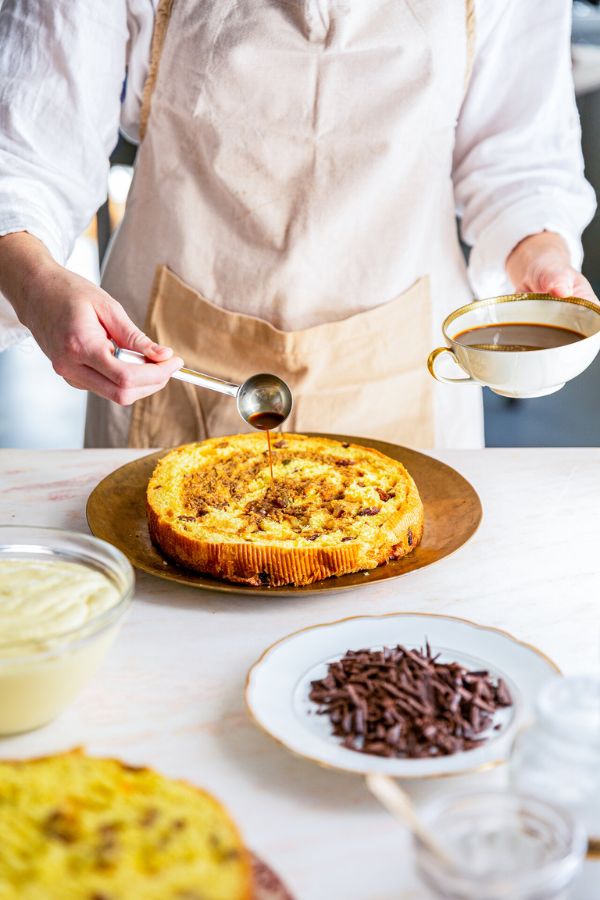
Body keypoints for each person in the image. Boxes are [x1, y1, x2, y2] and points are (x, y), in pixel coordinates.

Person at [0, 0, 596, 449]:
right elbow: (27, 153)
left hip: (406, 370)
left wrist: (539, 253)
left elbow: (518, 159)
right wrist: (35, 284)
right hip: (170, 365)